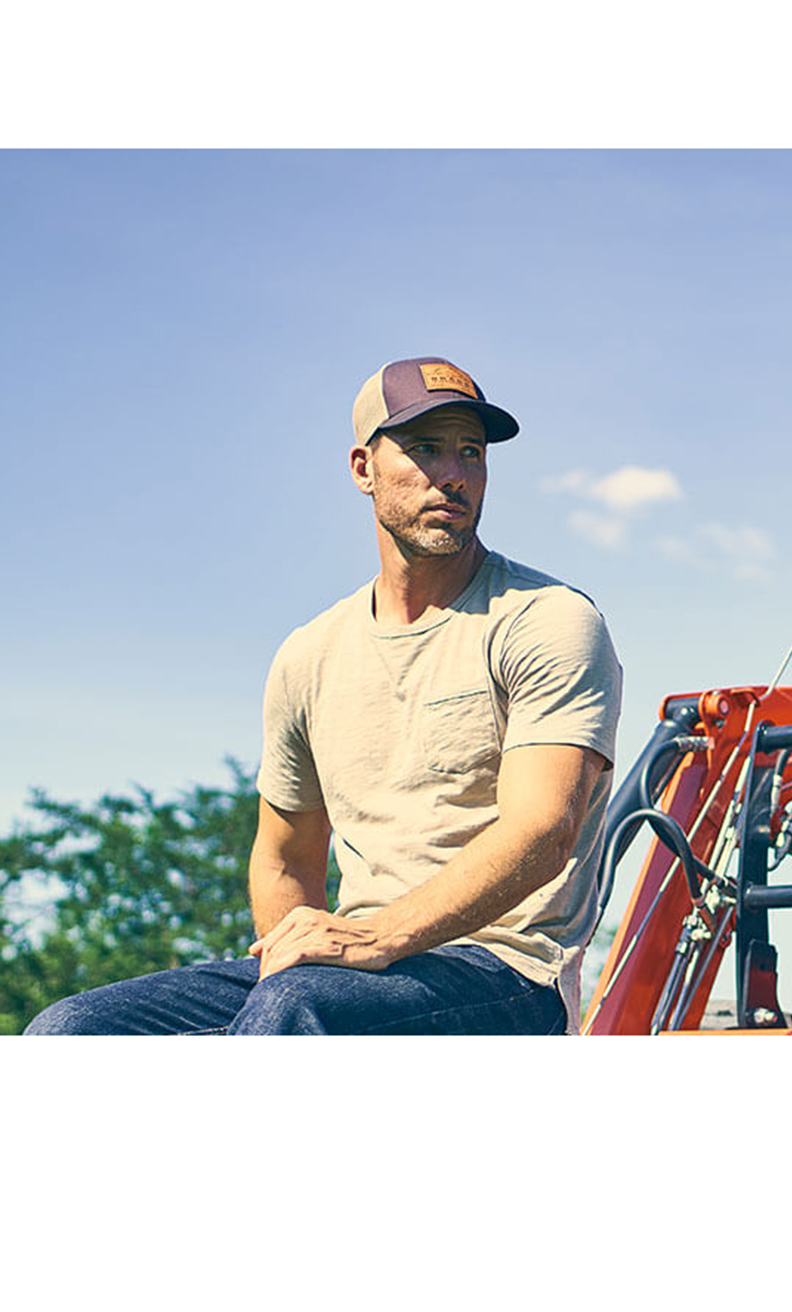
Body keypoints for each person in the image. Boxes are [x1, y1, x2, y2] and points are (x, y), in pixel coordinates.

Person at [27, 358, 622, 1035]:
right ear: (362, 468)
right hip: (354, 968)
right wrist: (294, 958)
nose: (453, 473)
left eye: (471, 452)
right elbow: (285, 855)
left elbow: (542, 831)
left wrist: (368, 943)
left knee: (296, 1008)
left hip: (507, 972)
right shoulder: (308, 656)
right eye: (425, 448)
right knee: (70, 1031)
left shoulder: (547, 619)